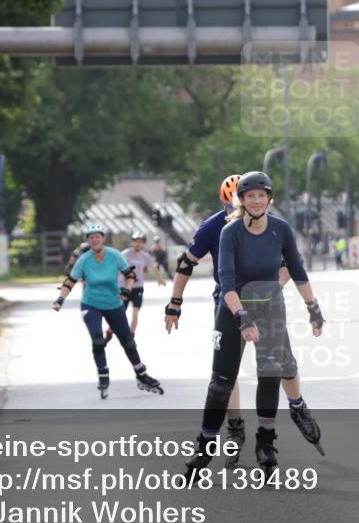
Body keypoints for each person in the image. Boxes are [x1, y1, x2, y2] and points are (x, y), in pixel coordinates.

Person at [165, 174, 323, 465]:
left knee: (282, 366)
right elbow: (187, 263)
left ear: (267, 199)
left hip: (266, 302)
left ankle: (297, 406)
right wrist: (175, 302)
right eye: (240, 201)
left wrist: (277, 294)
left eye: (260, 197)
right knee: (225, 377)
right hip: (228, 301)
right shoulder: (217, 227)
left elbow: (293, 267)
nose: (249, 205)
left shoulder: (277, 228)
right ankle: (234, 426)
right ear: (233, 201)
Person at [53, 223, 162, 400]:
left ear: (103, 239)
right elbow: (70, 281)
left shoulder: (115, 255)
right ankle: (103, 376)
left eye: (97, 236)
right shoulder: (84, 259)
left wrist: (127, 290)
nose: (94, 240)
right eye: (91, 237)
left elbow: (130, 275)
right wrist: (60, 300)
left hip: (113, 303)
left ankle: (141, 374)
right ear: (88, 241)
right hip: (91, 304)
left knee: (127, 340)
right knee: (97, 340)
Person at [116, 230, 167, 337]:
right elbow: (116, 268)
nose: (138, 244)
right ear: (132, 242)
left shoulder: (146, 256)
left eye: (140, 242)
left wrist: (160, 279)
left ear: (144, 243)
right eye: (135, 241)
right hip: (124, 287)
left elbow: (152, 268)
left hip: (138, 288)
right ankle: (114, 331)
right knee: (120, 313)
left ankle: (131, 335)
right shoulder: (125, 254)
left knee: (135, 312)